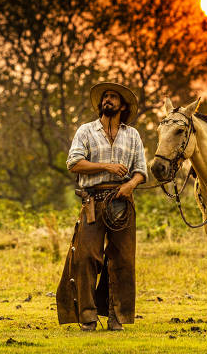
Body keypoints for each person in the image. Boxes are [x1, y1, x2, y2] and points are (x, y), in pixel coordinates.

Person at [56, 82, 148, 331]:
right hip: (93, 201)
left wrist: (131, 185)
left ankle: (117, 316)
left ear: (123, 106)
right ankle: (87, 316)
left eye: (113, 97)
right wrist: (106, 166)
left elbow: (141, 170)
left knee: (123, 260)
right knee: (86, 257)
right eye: (105, 96)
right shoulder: (86, 130)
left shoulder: (133, 135)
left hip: (123, 202)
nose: (108, 99)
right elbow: (73, 163)